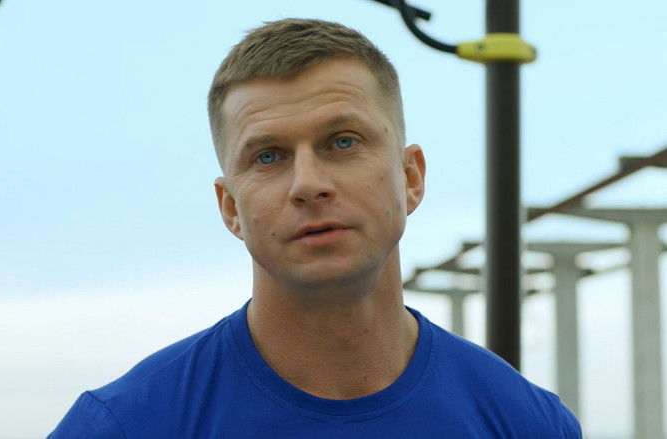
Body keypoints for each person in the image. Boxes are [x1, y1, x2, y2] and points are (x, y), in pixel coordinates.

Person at [48, 18, 581, 438]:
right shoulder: (125, 426)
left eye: (343, 142)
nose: (308, 184)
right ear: (230, 207)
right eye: (268, 156)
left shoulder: (526, 424)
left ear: (410, 177)